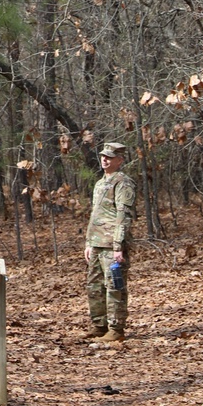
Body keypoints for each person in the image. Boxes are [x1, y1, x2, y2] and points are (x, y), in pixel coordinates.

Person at [85, 140, 136, 345]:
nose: (105, 160)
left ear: (120, 160)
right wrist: (89, 242)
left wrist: (118, 246)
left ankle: (116, 328)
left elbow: (124, 215)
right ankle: (99, 324)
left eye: (110, 157)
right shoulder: (100, 183)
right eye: (103, 157)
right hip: (97, 242)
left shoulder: (123, 182)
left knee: (114, 285)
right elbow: (95, 215)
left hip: (112, 244)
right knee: (94, 286)